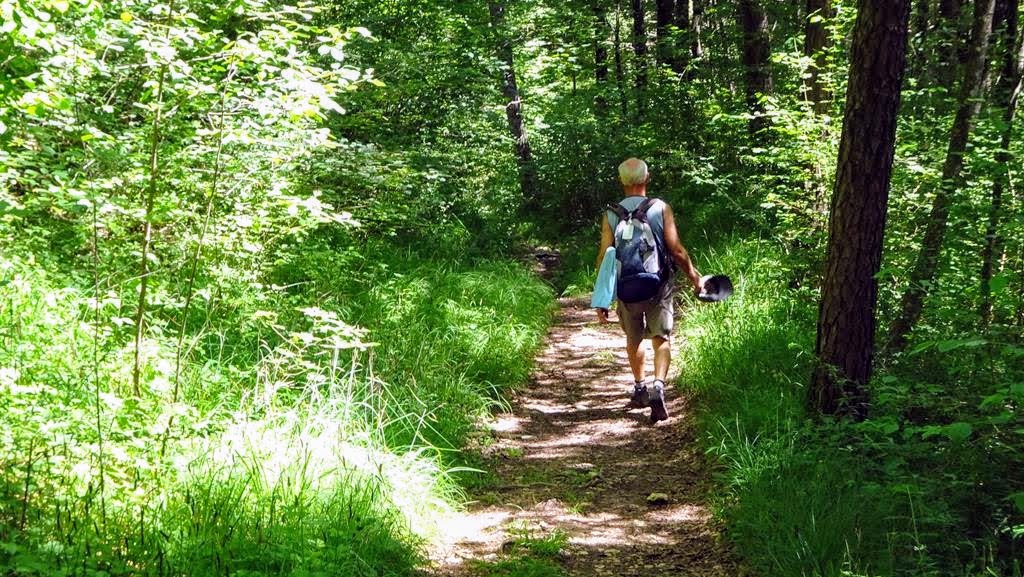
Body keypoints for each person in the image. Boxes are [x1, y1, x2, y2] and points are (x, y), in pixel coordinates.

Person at [596, 158, 702, 423]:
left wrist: (602, 297)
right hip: (659, 285)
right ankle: (659, 386)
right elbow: (676, 250)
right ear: (647, 178)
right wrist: (695, 278)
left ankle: (639, 387)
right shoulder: (660, 208)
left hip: (626, 288)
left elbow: (604, 257)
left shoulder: (611, 214)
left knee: (634, 338)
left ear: (621, 181)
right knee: (661, 337)